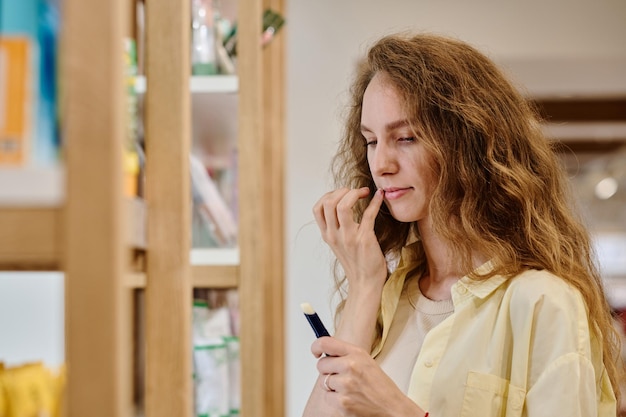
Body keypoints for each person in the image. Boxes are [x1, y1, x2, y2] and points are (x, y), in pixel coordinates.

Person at [304, 32, 623, 417]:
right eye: (371, 141)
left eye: (405, 138)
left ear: (468, 144)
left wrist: (398, 411)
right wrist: (363, 286)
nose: (382, 164)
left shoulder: (542, 302)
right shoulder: (381, 298)